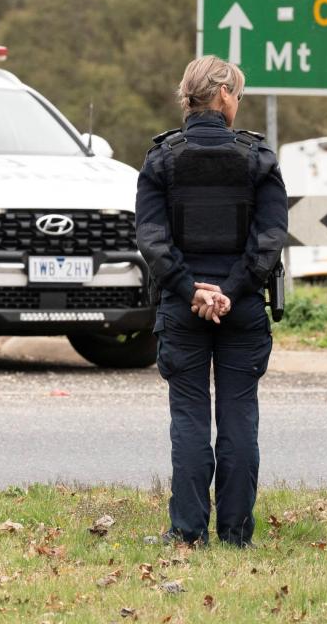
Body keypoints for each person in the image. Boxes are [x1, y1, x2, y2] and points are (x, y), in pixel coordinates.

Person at [135, 55, 288, 546]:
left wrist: (190, 289)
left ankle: (188, 532)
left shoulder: (161, 158)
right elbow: (270, 238)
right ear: (222, 95)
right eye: (237, 94)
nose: (237, 103)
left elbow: (152, 238)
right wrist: (232, 290)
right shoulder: (258, 158)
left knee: (190, 419)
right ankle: (237, 533)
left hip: (182, 308)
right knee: (239, 418)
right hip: (241, 308)